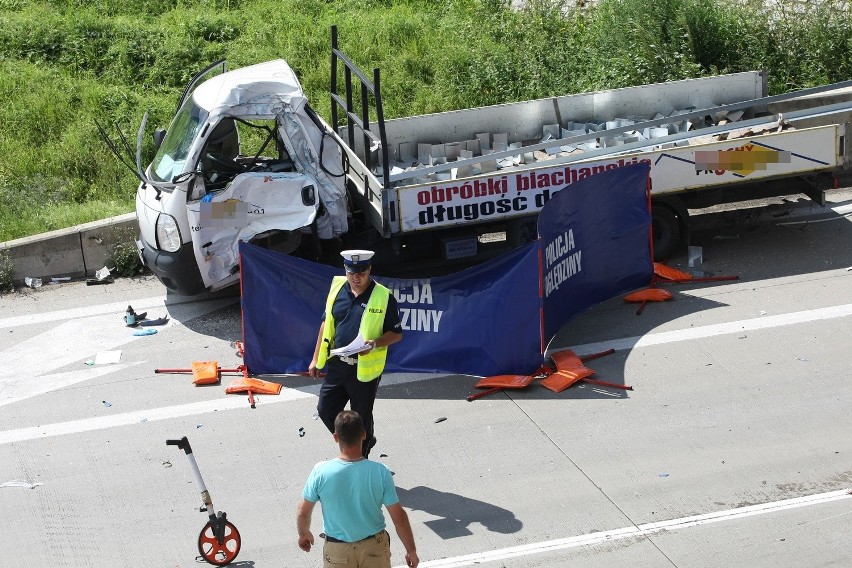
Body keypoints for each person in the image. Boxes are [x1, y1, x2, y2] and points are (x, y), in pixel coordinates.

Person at [309, 249, 403, 458]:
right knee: (325, 410)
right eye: (352, 272)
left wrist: (375, 343)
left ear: (369, 269)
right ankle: (353, 441)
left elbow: (396, 334)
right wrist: (315, 358)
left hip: (364, 370)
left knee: (362, 417)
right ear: (345, 269)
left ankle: (363, 453)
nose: (356, 277)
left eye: (361, 272)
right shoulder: (337, 289)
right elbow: (326, 324)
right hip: (337, 365)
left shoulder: (382, 296)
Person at [297, 410, 419, 568]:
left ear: (335, 437)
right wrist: (411, 550)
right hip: (374, 548)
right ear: (363, 434)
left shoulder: (320, 472)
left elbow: (303, 512)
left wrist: (303, 534)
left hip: (337, 552)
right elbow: (399, 518)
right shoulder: (380, 472)